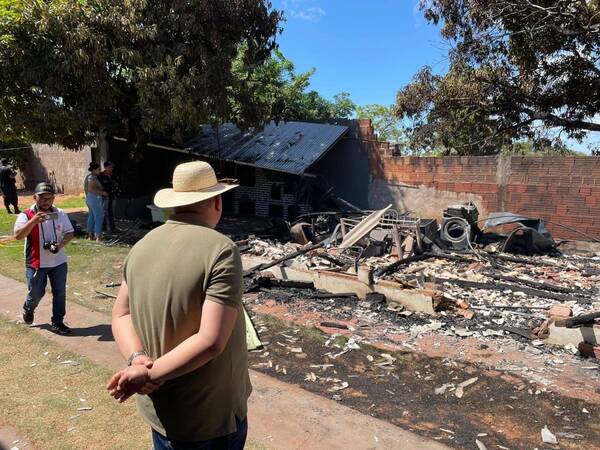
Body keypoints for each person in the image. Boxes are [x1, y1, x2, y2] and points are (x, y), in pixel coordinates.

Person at [107, 161, 250, 450]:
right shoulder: (221, 250)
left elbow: (121, 314)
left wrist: (138, 360)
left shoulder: (142, 246)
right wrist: (149, 373)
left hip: (161, 411)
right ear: (216, 201)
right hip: (209, 415)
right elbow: (210, 341)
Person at [14, 182, 74, 334]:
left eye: (49, 198)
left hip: (58, 261)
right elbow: (18, 236)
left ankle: (58, 322)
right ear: (35, 197)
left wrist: (59, 246)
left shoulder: (59, 213)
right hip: (36, 262)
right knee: (37, 293)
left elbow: (69, 232)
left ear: (53, 199)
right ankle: (28, 308)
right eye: (42, 198)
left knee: (59, 293)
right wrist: (33, 221)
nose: (46, 201)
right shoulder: (26, 215)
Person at [84, 162, 107, 241]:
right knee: (99, 216)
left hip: (89, 199)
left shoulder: (89, 177)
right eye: (98, 169)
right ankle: (98, 236)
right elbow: (91, 189)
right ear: (94, 170)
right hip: (95, 199)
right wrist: (103, 193)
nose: (99, 171)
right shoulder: (92, 177)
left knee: (92, 216)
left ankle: (90, 235)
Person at [98, 161, 117, 233]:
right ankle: (104, 228)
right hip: (104, 197)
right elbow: (99, 186)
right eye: (110, 167)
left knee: (111, 212)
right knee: (104, 212)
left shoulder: (113, 175)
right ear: (105, 167)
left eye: (112, 167)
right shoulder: (101, 175)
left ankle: (112, 228)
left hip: (112, 196)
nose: (111, 168)